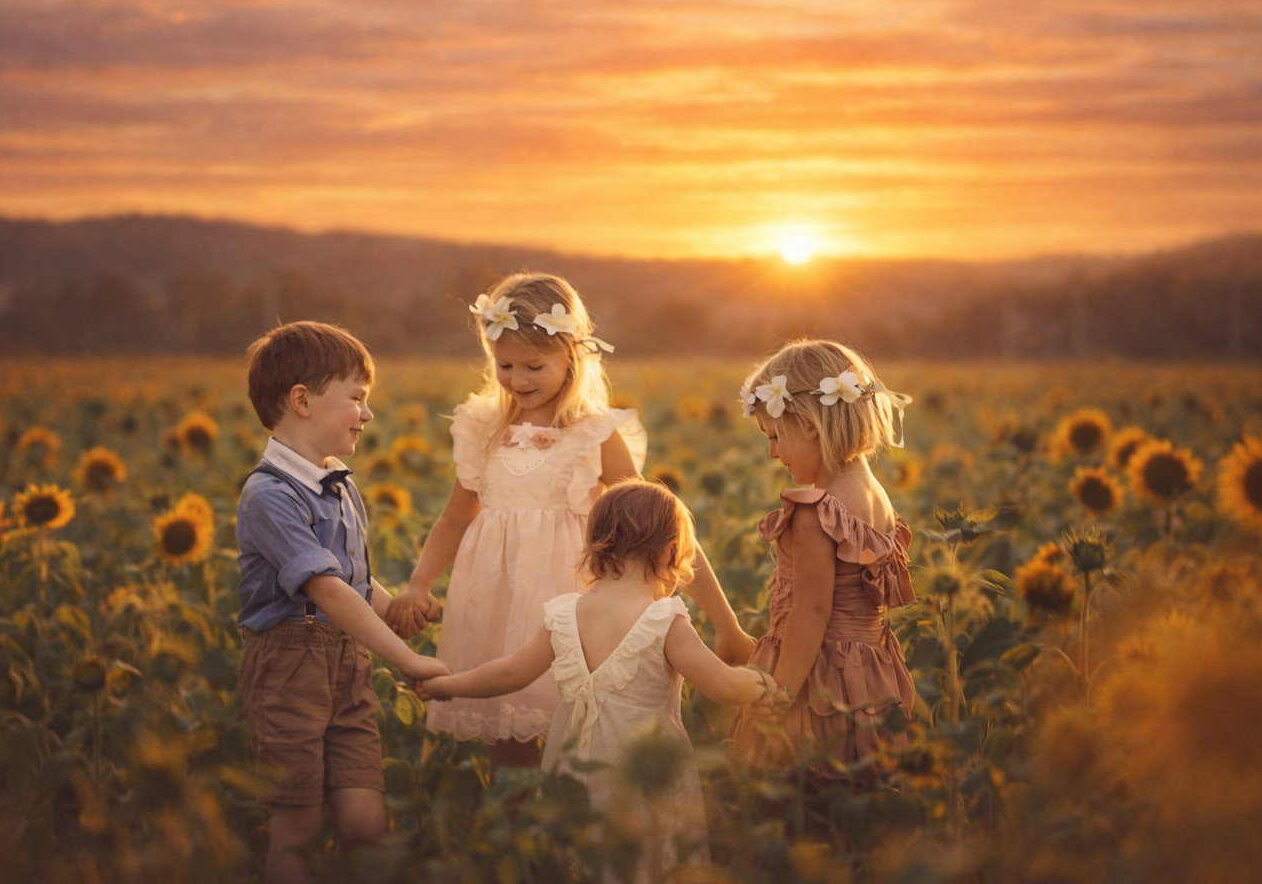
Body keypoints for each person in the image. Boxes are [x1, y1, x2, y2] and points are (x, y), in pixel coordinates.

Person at [385, 273, 756, 768]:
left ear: (572, 358)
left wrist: (725, 622)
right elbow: (455, 518)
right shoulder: (482, 428)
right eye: (504, 364)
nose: (518, 379)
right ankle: (518, 838)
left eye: (534, 366)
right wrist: (418, 583)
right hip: (495, 601)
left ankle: (576, 832)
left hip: (576, 606)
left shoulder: (594, 436)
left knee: (581, 732)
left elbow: (663, 531)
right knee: (508, 738)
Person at [417, 481, 782, 882]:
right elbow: (724, 687)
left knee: (581, 860)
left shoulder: (564, 615)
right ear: (667, 552)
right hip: (642, 776)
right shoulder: (664, 622)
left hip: (574, 775)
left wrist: (447, 686)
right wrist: (766, 681)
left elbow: (508, 673)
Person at [236, 321, 451, 884]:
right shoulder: (269, 495)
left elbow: (351, 583)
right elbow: (325, 591)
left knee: (365, 823)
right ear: (301, 401)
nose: (367, 413)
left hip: (346, 666)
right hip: (287, 670)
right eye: (357, 398)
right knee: (298, 828)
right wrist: (404, 661)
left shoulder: (338, 482)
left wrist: (398, 610)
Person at [729, 339, 918, 771]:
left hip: (817, 679)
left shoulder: (816, 512)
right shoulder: (878, 497)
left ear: (810, 425)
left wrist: (780, 696)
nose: (773, 452)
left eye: (775, 436)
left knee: (798, 790)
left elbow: (811, 614)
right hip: (870, 674)